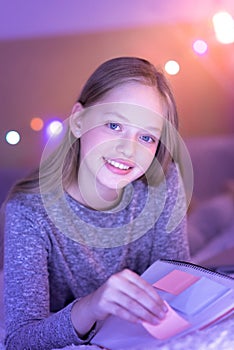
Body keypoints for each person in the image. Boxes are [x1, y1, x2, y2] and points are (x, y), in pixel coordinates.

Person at [3, 57, 190, 350]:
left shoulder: (163, 182)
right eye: (114, 125)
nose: (128, 149)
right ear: (78, 121)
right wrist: (92, 306)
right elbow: (18, 340)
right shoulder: (29, 214)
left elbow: (176, 282)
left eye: (146, 136)